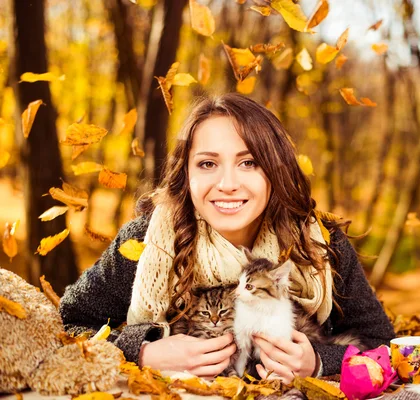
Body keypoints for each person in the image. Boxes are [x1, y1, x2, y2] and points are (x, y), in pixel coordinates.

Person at [60, 93, 395, 382]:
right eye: (207, 164)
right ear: (186, 174)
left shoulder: (320, 244)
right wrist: (142, 352)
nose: (227, 183)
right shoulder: (146, 243)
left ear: (275, 170)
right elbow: (67, 326)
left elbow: (382, 342)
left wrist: (320, 361)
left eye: (248, 162)